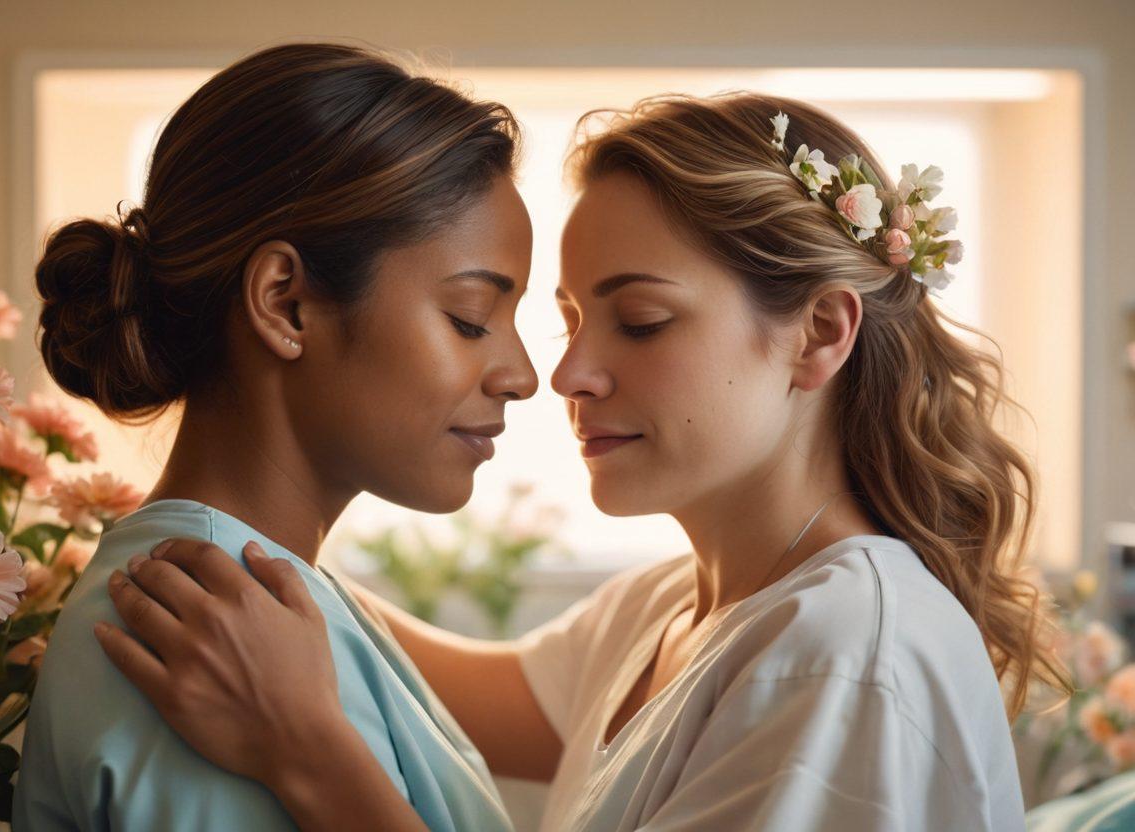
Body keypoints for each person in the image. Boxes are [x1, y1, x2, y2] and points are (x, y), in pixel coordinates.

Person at [99, 91, 1071, 831]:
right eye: (568, 319)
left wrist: (308, 752)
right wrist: (201, 543)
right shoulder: (670, 609)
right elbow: (427, 681)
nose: (565, 372)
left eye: (639, 321)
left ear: (819, 332)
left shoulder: (846, 651)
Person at [14, 42, 540, 832]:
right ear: (285, 304)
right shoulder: (200, 626)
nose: (522, 374)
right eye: (471, 318)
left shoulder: (270, 603)